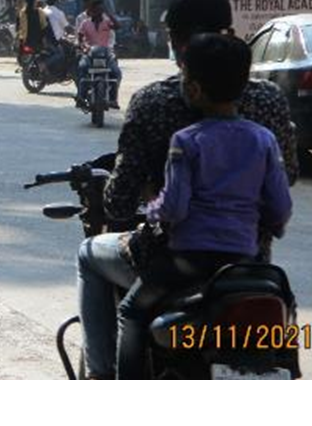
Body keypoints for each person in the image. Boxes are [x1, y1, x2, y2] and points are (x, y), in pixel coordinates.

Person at [75, 0, 300, 380]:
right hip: (249, 260)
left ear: (176, 44)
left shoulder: (158, 107)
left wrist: (152, 199)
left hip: (176, 257)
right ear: (230, 35)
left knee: (91, 257)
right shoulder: (267, 106)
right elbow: (285, 187)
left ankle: (101, 375)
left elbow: (122, 203)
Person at [116, 33, 293, 379]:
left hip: (188, 261)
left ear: (194, 89)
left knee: (131, 313)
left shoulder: (187, 141)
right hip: (244, 260)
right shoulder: (264, 140)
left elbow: (175, 208)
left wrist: (152, 206)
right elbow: (280, 206)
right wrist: (276, 225)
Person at [75, 0, 122, 109]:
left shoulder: (107, 23)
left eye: (100, 10)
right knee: (81, 69)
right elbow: (80, 38)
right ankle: (81, 96)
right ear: (91, 10)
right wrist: (83, 47)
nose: (97, 12)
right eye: (95, 10)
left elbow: (118, 26)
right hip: (89, 53)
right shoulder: (85, 23)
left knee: (116, 73)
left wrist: (109, 14)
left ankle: (113, 99)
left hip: (106, 53)